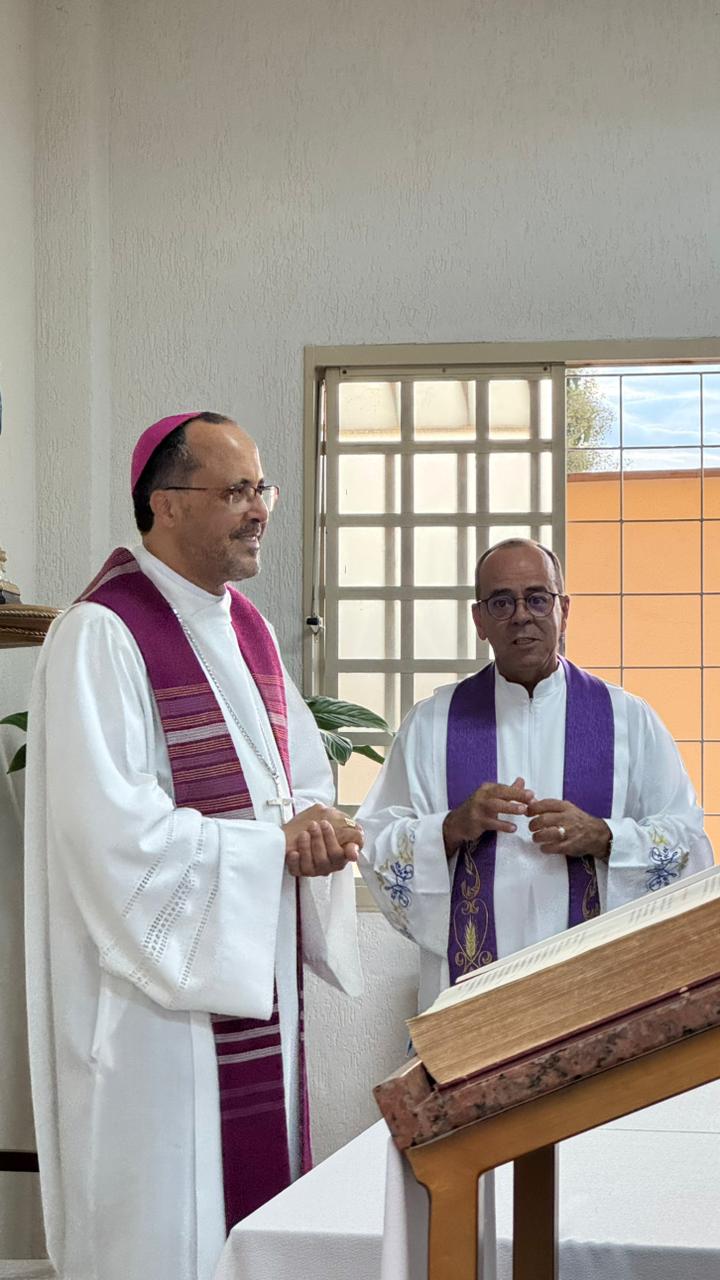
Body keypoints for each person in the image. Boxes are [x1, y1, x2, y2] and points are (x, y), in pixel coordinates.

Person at [24, 412, 363, 1280]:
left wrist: (315, 829)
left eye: (263, 490)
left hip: (247, 989)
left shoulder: (242, 625)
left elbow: (300, 781)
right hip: (156, 1025)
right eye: (237, 491)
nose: (259, 511)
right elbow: (112, 840)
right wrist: (269, 851)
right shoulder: (102, 634)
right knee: (168, 1239)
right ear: (166, 504)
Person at [358, 537, 712, 1012]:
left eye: (537, 598)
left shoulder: (627, 719)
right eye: (501, 602)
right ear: (479, 620)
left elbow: (689, 842)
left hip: (595, 986)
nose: (521, 615)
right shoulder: (432, 723)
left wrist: (605, 836)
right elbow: (376, 841)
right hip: (471, 994)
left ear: (564, 609)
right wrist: (449, 827)